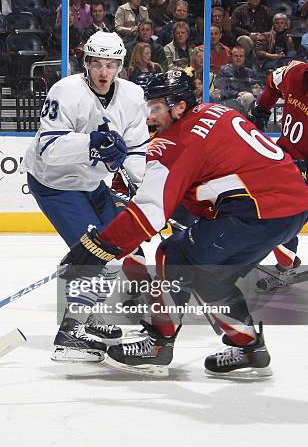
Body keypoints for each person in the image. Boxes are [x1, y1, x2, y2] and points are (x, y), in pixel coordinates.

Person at [60, 70, 308, 378]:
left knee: (175, 256)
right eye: (147, 107)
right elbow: (218, 174)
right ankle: (249, 348)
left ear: (179, 107)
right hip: (289, 204)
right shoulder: (213, 110)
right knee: (210, 277)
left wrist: (98, 248)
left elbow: (150, 211)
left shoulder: (177, 142)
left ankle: (157, 343)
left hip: (258, 210)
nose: (149, 116)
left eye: (156, 108)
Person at [22, 32, 150, 363]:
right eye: (97, 64)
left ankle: (90, 317)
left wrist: (146, 191)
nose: (104, 72)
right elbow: (48, 148)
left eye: (110, 65)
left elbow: (136, 150)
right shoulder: (65, 92)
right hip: (55, 183)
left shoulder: (133, 96)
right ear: (87, 63)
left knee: (124, 244)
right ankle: (69, 334)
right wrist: (91, 144)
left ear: (120, 66)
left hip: (92, 184)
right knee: (98, 254)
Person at [248, 61, 307, 291]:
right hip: (284, 160)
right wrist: (261, 110)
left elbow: (273, 82)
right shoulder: (296, 72)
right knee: (277, 214)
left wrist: (262, 109)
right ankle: (286, 261)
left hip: (289, 164)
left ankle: (286, 259)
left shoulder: (297, 71)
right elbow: (273, 83)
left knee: (279, 213)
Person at [214, 45, 260, 115]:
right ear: (231, 57)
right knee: (248, 97)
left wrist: (257, 90)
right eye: (236, 56)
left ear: (244, 58)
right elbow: (220, 91)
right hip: (229, 102)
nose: (238, 58)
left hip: (247, 102)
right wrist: (237, 94)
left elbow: (256, 90)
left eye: (241, 56)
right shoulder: (224, 70)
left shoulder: (250, 72)